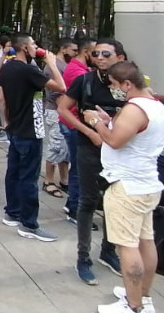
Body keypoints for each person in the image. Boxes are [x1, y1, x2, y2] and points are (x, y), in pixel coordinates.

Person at [82, 62, 164, 313]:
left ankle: (134, 305)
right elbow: (129, 135)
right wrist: (108, 121)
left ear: (128, 84)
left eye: (116, 86)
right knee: (145, 241)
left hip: (126, 186)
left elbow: (116, 141)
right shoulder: (156, 106)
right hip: (146, 183)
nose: (115, 91)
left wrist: (96, 122)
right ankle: (143, 296)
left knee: (128, 247)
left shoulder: (135, 108)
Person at [57, 38, 126, 285]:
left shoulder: (128, 82)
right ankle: (83, 258)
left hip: (119, 152)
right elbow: (63, 108)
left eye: (106, 54)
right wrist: (89, 132)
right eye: (96, 53)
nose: (100, 58)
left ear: (120, 57)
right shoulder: (84, 81)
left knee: (114, 203)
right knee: (87, 201)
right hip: (90, 148)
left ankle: (109, 251)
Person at [0, 33, 66, 242]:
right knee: (29, 178)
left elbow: (2, 97)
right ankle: (29, 224)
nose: (37, 47)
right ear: (24, 48)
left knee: (14, 172)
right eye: (33, 44)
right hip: (30, 130)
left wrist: (5, 121)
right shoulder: (28, 70)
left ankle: (13, 211)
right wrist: (53, 63)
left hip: (16, 127)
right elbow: (61, 86)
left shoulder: (8, 67)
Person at [60, 37, 97, 224]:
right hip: (75, 125)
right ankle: (75, 209)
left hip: (76, 124)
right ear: (86, 53)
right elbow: (66, 105)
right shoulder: (78, 74)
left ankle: (72, 204)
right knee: (79, 169)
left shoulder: (82, 70)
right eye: (96, 54)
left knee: (78, 168)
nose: (99, 58)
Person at [43, 38, 78, 198]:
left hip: (64, 110)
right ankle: (48, 181)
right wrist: (65, 109)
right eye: (74, 51)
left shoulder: (65, 65)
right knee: (55, 146)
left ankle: (64, 179)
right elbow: (55, 93)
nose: (75, 54)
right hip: (56, 110)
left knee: (64, 149)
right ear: (64, 49)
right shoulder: (53, 66)